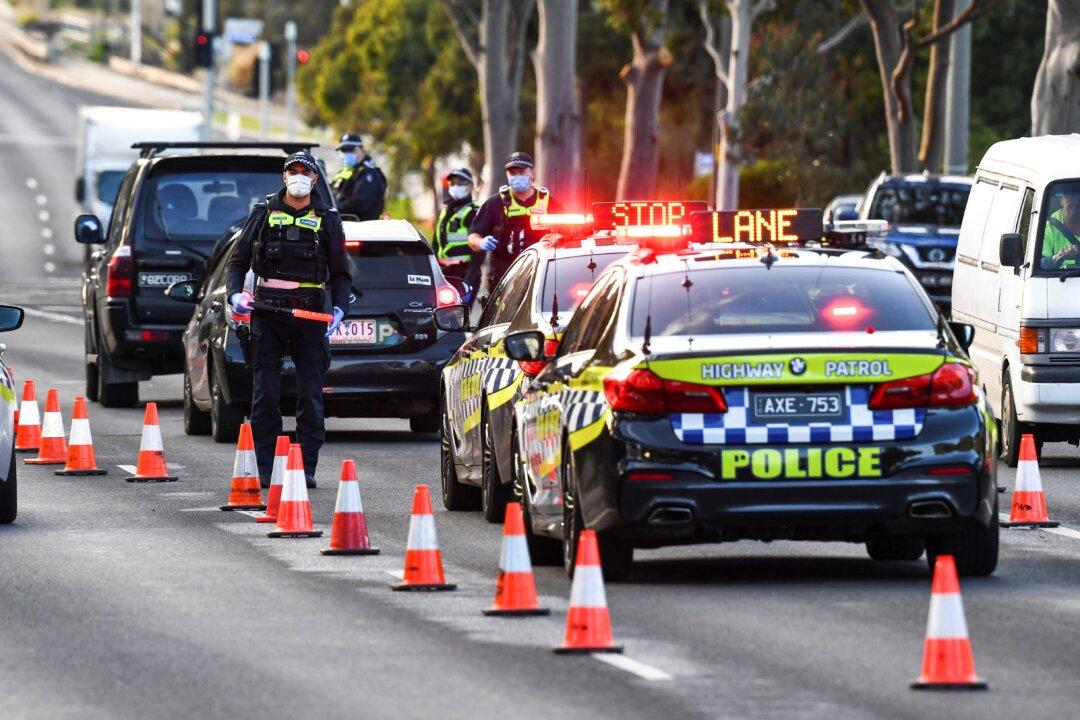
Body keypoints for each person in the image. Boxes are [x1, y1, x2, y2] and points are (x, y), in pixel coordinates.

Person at [226, 152, 351, 489]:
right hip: (268, 312)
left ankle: (305, 466)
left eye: (304, 172)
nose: (298, 177)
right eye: (292, 171)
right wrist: (235, 294)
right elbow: (237, 262)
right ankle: (265, 467)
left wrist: (339, 309)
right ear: (284, 177)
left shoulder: (328, 218)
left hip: (309, 313)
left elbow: (341, 274)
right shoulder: (263, 213)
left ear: (314, 179)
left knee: (310, 393)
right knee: (264, 392)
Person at [468, 151, 562, 289]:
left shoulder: (548, 202)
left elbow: (567, 232)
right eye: (513, 173)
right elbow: (472, 237)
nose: (517, 176)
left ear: (532, 173)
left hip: (541, 273)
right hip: (503, 275)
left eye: (521, 172)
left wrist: (555, 238)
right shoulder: (495, 203)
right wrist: (482, 242)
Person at [433, 168, 481, 300]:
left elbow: (479, 251)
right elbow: (436, 243)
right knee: (443, 317)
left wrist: (469, 281)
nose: (455, 187)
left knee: (459, 317)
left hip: (464, 273)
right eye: (453, 183)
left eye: (460, 183)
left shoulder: (473, 211)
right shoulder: (446, 211)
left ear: (470, 187)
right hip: (444, 273)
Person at [331, 133, 387, 221]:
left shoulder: (370, 173)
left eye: (349, 150)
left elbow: (359, 203)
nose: (345, 154)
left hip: (361, 228)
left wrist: (333, 209)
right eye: (343, 151)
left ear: (360, 150)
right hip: (342, 224)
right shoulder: (345, 172)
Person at [1041, 185, 1080, 269]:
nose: (1077, 202)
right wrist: (1060, 256)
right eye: (1072, 196)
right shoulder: (1047, 228)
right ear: (1061, 200)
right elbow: (1040, 265)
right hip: (1059, 280)